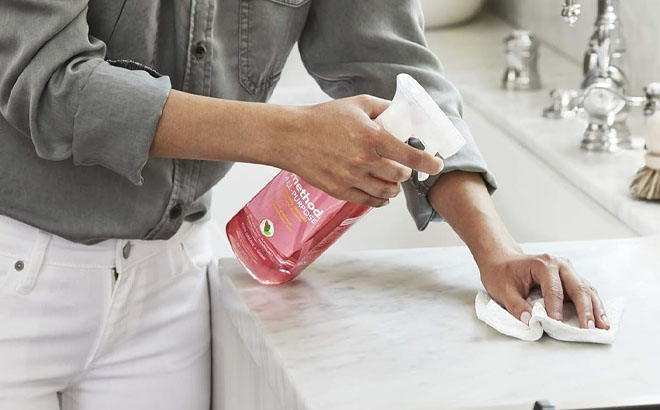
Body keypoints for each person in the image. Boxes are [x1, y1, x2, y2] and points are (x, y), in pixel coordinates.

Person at [0, 1, 609, 409]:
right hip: (16, 277)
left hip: (172, 283)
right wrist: (285, 138)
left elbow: (391, 65)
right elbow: (50, 84)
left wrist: (495, 249)